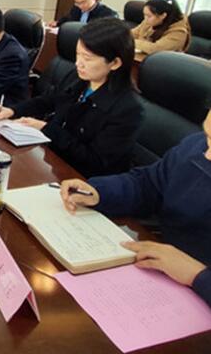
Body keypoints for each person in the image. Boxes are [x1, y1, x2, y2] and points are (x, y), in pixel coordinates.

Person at [58, 109, 211, 307]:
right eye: (208, 136)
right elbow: (149, 184)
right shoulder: (196, 145)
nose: (207, 154)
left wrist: (197, 275)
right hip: (161, 268)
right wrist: (100, 192)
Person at [0, 18, 142, 177]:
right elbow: (48, 100)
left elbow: (94, 160)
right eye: (78, 54)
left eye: (87, 58)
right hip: (55, 161)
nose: (78, 63)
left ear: (115, 63)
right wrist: (13, 110)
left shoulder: (128, 109)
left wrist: (46, 128)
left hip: (84, 179)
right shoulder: (79, 78)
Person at [50, 0, 117, 27]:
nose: (80, 6)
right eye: (77, 2)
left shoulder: (108, 14)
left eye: (83, 2)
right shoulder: (76, 8)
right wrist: (58, 23)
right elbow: (68, 19)